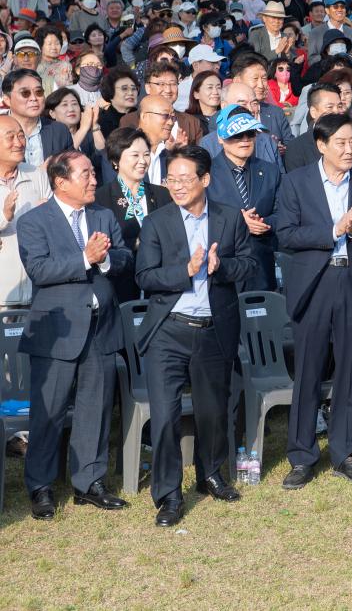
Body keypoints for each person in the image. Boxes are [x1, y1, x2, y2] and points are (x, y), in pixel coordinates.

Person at [134, 145, 256, 527]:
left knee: (213, 410)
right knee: (166, 416)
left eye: (186, 178)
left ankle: (211, 475)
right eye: (171, 178)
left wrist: (221, 267)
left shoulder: (229, 218)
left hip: (213, 329)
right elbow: (145, 277)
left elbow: (249, 264)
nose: (178, 185)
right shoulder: (156, 222)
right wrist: (185, 270)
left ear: (205, 179)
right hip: (168, 332)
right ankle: (169, 495)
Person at [277, 113, 352, 491]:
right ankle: (302, 455)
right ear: (321, 144)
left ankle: (345, 453)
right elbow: (287, 234)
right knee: (308, 370)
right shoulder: (296, 182)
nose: (348, 149)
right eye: (340, 142)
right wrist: (332, 230)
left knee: (350, 370)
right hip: (314, 282)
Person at [18, 150, 132, 521]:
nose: (93, 180)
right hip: (57, 332)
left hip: (101, 327)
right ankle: (41, 486)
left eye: (93, 173)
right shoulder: (35, 221)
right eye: (85, 174)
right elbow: (39, 269)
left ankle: (90, 482)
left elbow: (126, 258)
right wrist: (86, 258)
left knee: (95, 409)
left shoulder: (103, 214)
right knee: (48, 413)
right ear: (60, 181)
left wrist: (107, 260)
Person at [206, 106, 282, 292]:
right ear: (220, 138)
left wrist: (263, 223)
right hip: (222, 270)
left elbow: (285, 212)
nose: (245, 140)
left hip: (262, 268)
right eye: (237, 135)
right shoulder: (205, 174)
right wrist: (240, 223)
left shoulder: (270, 170)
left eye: (250, 133)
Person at [94, 128, 172, 303]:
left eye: (146, 154)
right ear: (116, 160)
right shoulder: (101, 198)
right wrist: (138, 243)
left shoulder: (162, 194)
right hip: (120, 286)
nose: (143, 161)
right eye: (135, 155)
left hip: (158, 286)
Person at [0, 116, 50, 309]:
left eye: (21, 136)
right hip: (4, 290)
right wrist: (4, 216)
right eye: (10, 137)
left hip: (36, 286)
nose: (19, 143)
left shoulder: (36, 175)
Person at [3, 69, 73, 168]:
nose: (34, 98)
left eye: (39, 92)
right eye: (25, 93)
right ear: (7, 100)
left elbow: (71, 169)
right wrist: (38, 175)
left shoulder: (60, 130)